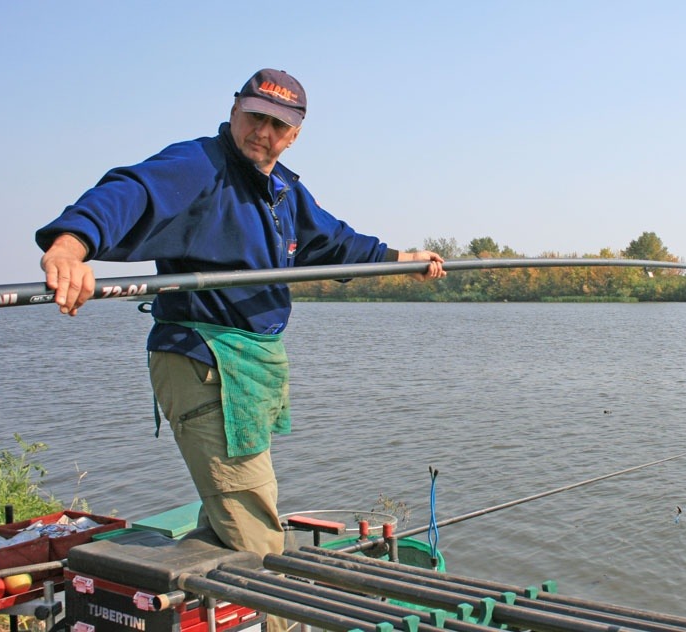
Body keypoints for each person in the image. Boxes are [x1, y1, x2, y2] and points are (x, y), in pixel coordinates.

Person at [36, 68, 445, 567]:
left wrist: (399, 259)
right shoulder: (198, 166)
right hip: (204, 363)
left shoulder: (284, 192)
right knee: (259, 544)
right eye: (255, 117)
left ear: (295, 135)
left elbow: (335, 243)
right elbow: (130, 192)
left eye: (278, 125)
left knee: (234, 518)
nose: (263, 132)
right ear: (234, 110)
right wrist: (70, 246)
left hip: (251, 367)